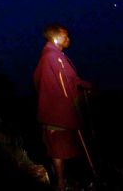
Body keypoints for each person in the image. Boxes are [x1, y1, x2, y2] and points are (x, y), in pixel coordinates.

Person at [33, 24, 92, 191]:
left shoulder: (51, 56)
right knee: (59, 149)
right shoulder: (53, 57)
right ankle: (61, 183)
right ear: (55, 37)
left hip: (53, 110)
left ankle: (64, 181)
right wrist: (83, 88)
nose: (68, 39)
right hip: (58, 112)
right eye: (65, 36)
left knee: (60, 148)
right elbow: (68, 83)